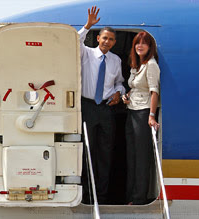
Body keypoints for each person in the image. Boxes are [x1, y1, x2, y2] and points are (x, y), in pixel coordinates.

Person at [79, 6, 125, 204]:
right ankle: (87, 196)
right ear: (98, 38)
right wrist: (88, 25)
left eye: (111, 39)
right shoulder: (87, 54)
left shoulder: (116, 60)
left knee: (105, 153)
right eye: (104, 37)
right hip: (87, 107)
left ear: (114, 42)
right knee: (88, 151)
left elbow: (120, 83)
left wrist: (118, 93)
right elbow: (75, 41)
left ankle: (103, 196)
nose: (107, 41)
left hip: (106, 109)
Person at [122, 31, 160, 205]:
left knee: (141, 157)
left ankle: (138, 198)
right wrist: (126, 95)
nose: (140, 46)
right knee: (132, 155)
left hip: (143, 112)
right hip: (132, 109)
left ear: (150, 46)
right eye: (137, 43)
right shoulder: (137, 65)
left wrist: (151, 116)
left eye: (144, 43)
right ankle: (130, 196)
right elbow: (136, 87)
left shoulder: (151, 64)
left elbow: (154, 91)